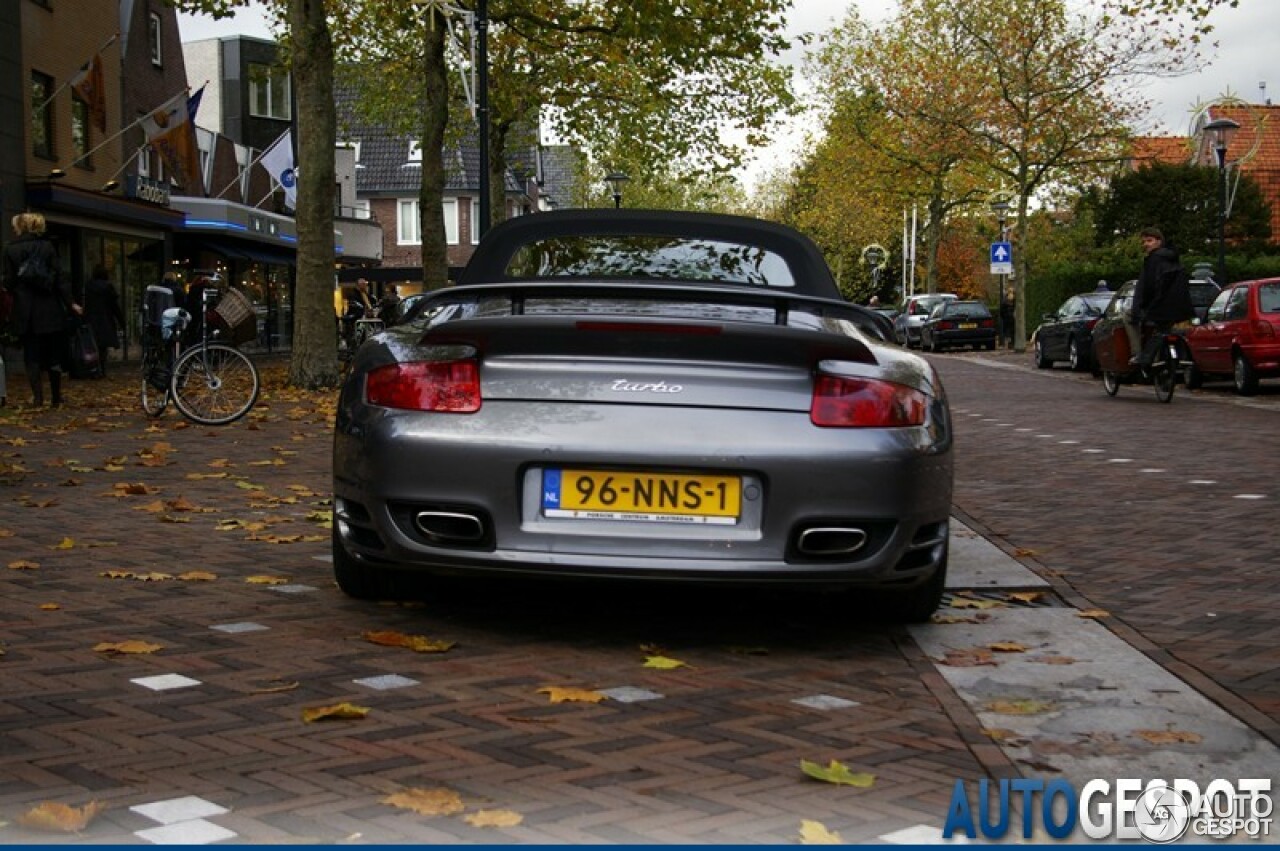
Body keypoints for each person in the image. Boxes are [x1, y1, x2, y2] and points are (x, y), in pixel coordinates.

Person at [1, 212, 82, 407]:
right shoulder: (47, 247)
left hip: (25, 310)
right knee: (53, 355)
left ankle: (38, 397)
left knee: (31, 355)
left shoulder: (10, 250)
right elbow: (60, 278)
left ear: (22, 226)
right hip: (49, 308)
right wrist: (71, 302)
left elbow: (9, 281)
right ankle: (56, 397)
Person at [1127, 227, 1194, 367]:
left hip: (1160, 306)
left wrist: (1141, 306)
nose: (1146, 244)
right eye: (1144, 242)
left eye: (1149, 241)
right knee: (1167, 331)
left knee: (1130, 318)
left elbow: (1149, 287)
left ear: (1159, 241)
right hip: (1180, 307)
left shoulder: (1153, 259)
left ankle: (1139, 355)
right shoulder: (1174, 258)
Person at [82, 264, 125, 375]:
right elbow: (114, 306)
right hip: (105, 319)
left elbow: (86, 304)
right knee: (102, 347)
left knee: (92, 345)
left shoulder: (88, 286)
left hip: (92, 319)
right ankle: (102, 369)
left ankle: (93, 369)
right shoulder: (108, 287)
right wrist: (122, 322)